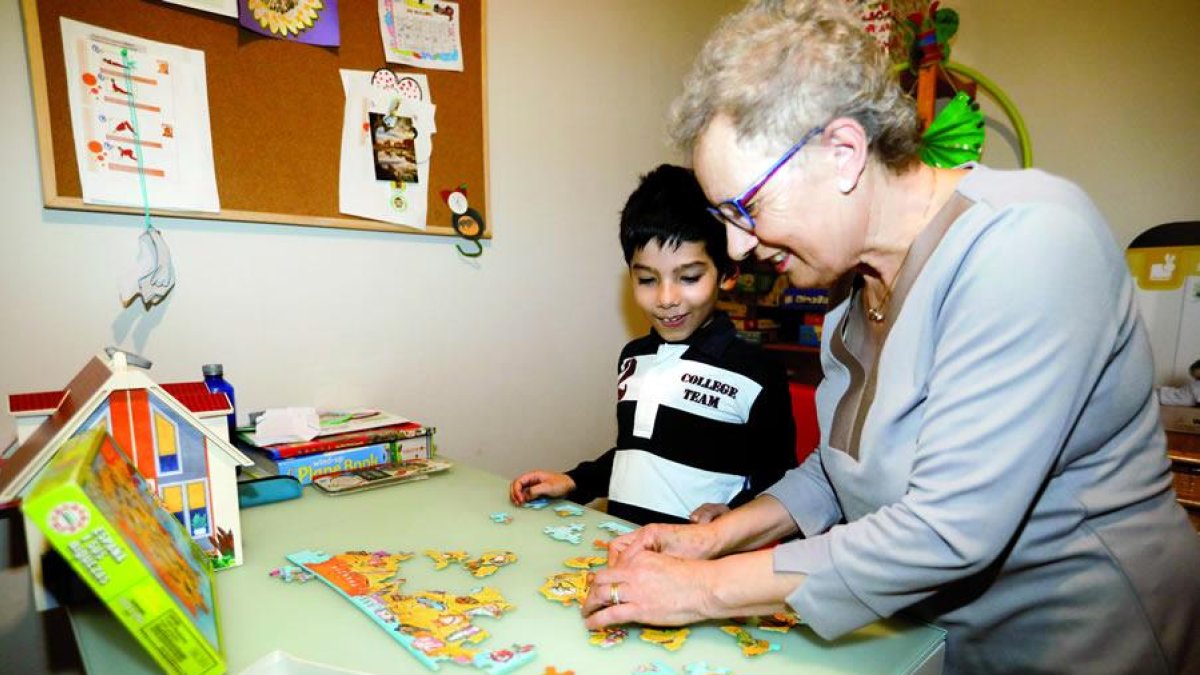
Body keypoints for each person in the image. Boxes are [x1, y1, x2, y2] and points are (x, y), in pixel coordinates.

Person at [580, 2, 1200, 673]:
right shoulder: (851, 295)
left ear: (843, 153)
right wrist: (717, 537)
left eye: (748, 208)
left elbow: (945, 527)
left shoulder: (1030, 242)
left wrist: (701, 590)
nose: (737, 244)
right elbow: (841, 469)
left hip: (1088, 641)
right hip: (934, 638)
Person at [509, 164, 796, 526]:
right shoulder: (633, 358)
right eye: (647, 279)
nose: (666, 298)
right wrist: (575, 481)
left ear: (727, 274)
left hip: (702, 567)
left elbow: (783, 481)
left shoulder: (757, 372)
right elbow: (637, 456)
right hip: (623, 551)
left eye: (689, 277)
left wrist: (736, 513)